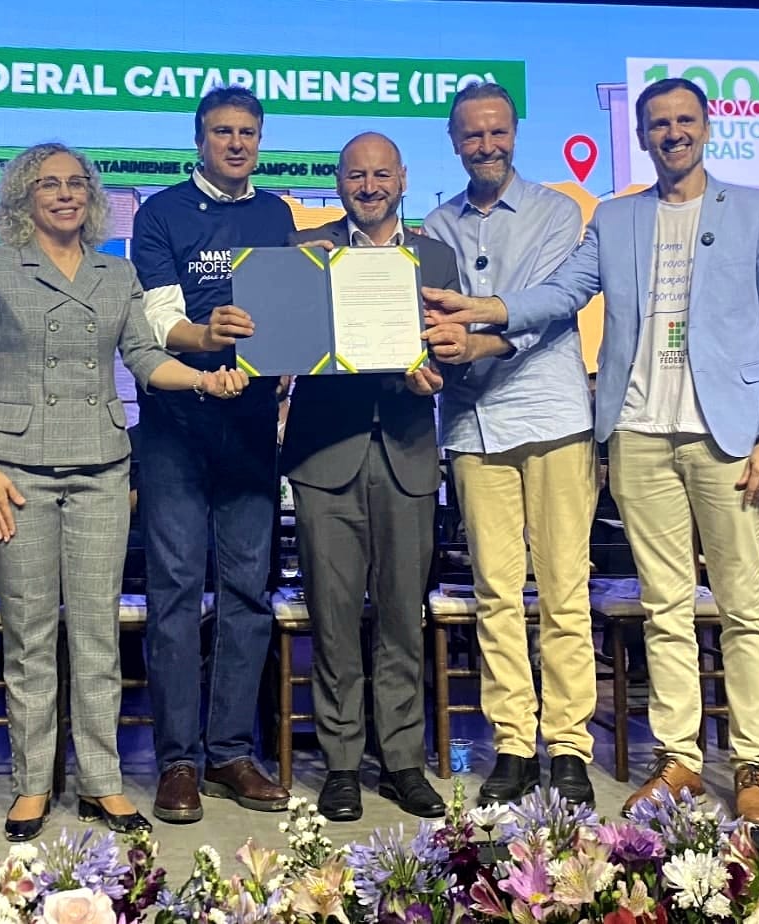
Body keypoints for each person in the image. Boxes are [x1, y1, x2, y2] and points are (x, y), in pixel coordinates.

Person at [424, 77, 759, 824]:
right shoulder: (615, 217)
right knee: (664, 606)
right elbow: (562, 293)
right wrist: (491, 309)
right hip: (636, 433)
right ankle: (679, 759)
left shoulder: (758, 211)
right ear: (641, 136)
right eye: (658, 123)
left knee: (742, 605)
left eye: (684, 120)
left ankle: (754, 763)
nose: (672, 133)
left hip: (730, 437)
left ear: (706, 126)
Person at [0, 143, 247, 841]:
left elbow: (144, 356)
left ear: (90, 196)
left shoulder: (117, 273)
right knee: (29, 635)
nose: (64, 194)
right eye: (48, 184)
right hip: (16, 473)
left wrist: (203, 378)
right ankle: (32, 784)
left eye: (75, 183)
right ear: (23, 198)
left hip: (102, 469)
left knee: (96, 636)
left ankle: (102, 782)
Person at [420, 83, 599, 808]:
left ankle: (570, 746)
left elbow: (552, 305)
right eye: (472, 134)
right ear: (454, 142)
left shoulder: (557, 211)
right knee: (495, 593)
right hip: (473, 425)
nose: (486, 145)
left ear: (515, 133)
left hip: (552, 416)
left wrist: (480, 338)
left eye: (497, 132)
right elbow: (430, 318)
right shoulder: (437, 225)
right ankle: (515, 744)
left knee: (563, 590)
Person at [130, 85, 293, 823]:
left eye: (247, 133)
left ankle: (230, 752)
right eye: (223, 131)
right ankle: (178, 762)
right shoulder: (161, 213)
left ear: (259, 140)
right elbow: (159, 319)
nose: (235, 143)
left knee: (248, 592)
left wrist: (289, 357)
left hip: (251, 422)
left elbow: (287, 314)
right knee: (173, 593)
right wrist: (207, 338)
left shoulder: (276, 214)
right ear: (199, 138)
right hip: (176, 424)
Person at [283, 132, 457, 822]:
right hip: (326, 455)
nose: (369, 186)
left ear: (403, 178)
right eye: (356, 175)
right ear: (339, 182)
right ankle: (341, 765)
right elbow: (286, 348)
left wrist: (434, 374)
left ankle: (404, 762)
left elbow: (452, 351)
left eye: (382, 174)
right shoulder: (308, 253)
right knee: (332, 620)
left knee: (402, 618)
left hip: (407, 452)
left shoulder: (436, 256)